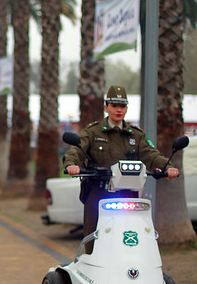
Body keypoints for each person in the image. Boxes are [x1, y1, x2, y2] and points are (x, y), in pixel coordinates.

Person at [62, 85, 179, 252]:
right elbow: (76, 150)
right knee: (94, 239)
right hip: (98, 193)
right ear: (106, 107)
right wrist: (72, 165)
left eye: (122, 106)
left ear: (126, 109)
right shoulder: (93, 132)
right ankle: (91, 269)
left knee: (130, 237)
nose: (118, 110)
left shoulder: (135, 135)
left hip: (127, 194)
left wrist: (167, 167)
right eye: (114, 106)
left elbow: (151, 155)